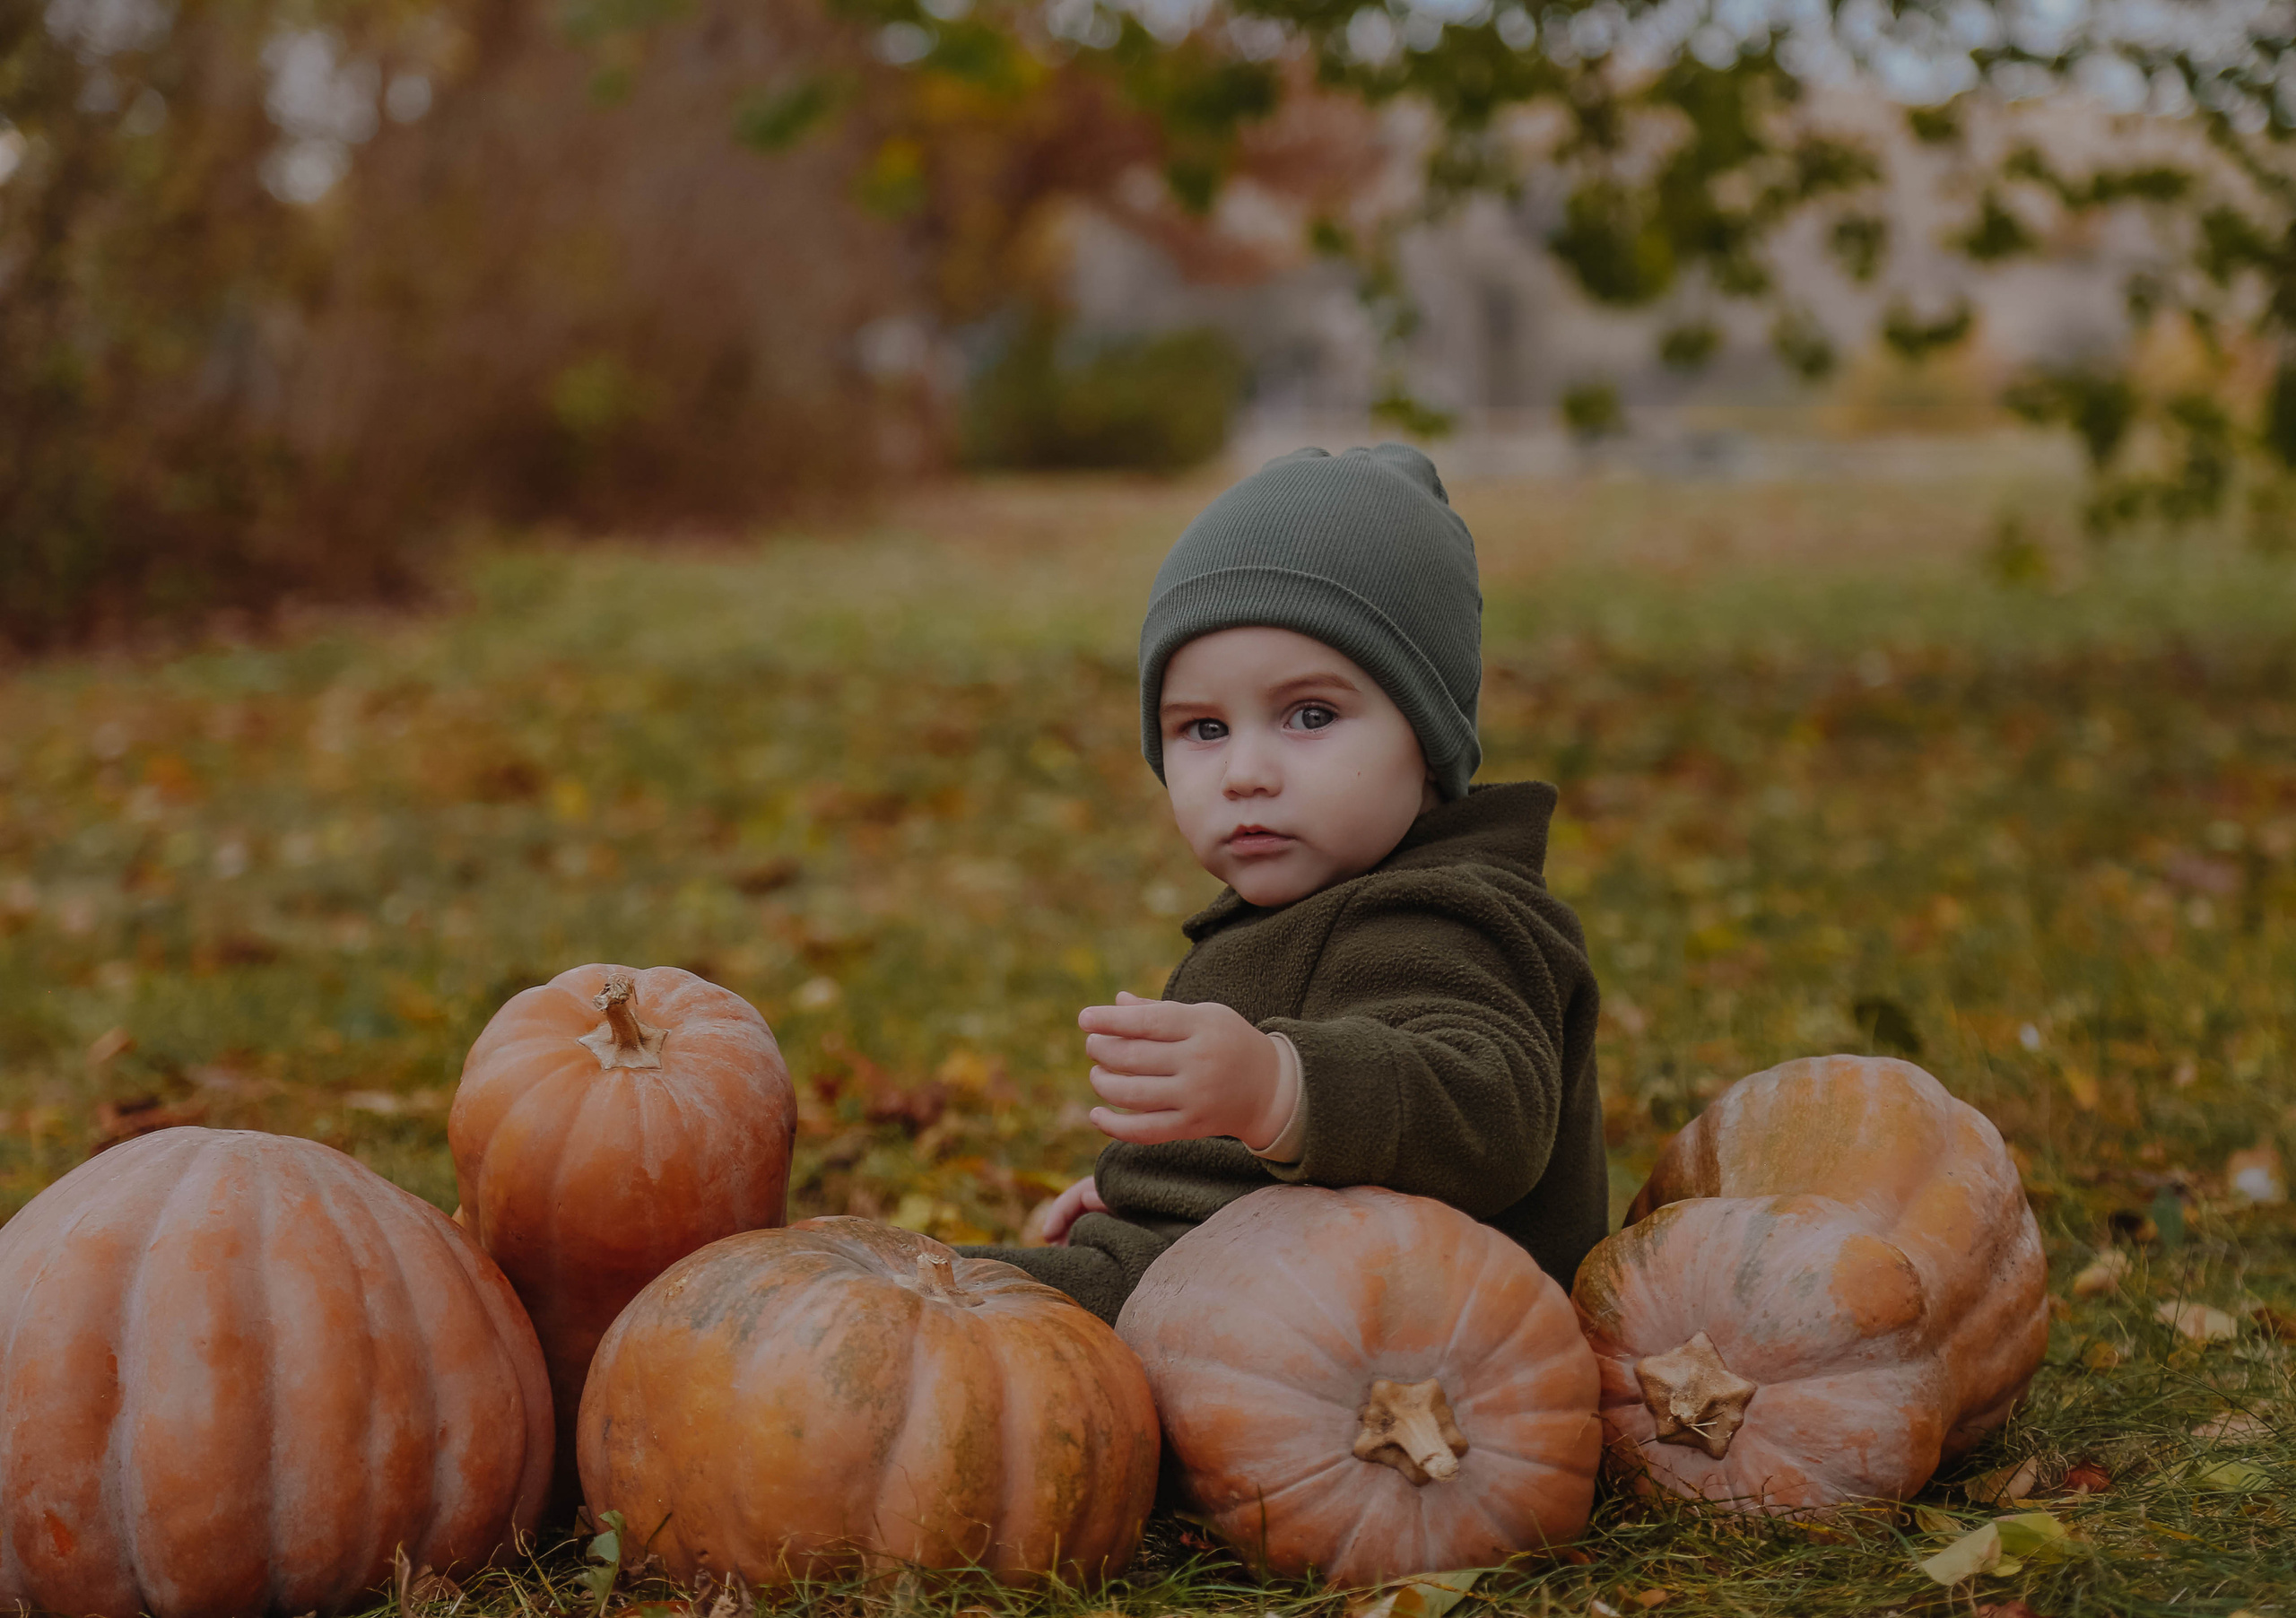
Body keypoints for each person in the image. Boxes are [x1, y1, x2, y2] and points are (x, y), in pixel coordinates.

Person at [961, 443, 1605, 1325]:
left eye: (1310, 715)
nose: (1245, 772)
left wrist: (1275, 1087)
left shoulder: (1455, 916)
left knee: (932, 1315)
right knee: (915, 1303)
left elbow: (1487, 1115)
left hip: (1387, 1355)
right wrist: (1147, 1187)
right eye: (1203, 728)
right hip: (1239, 1298)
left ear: (1426, 733)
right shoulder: (1309, 905)